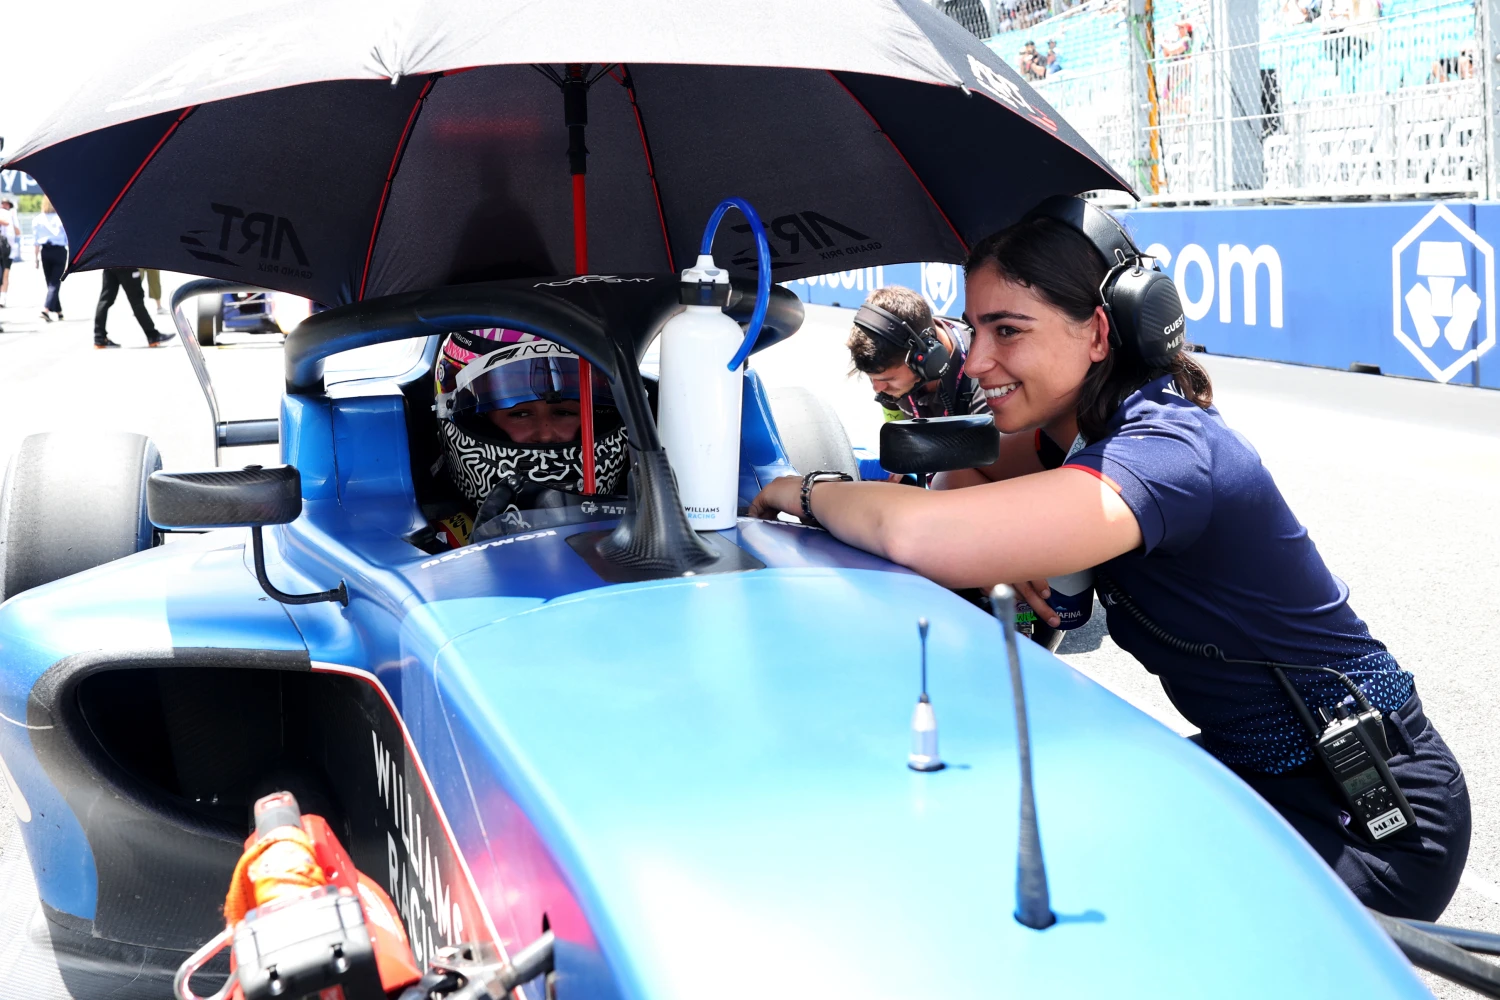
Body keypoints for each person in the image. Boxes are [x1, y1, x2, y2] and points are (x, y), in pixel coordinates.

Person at [750, 198, 1470, 920]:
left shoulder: (1166, 453)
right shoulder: (1078, 432)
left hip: (1371, 816)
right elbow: (956, 479)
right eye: (974, 331)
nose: (976, 360)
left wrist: (797, 489)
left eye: (1008, 331)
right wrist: (1013, 535)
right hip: (1253, 773)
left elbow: (921, 535)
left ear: (1098, 333)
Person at [427, 328, 629, 548]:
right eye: (520, 414)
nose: (545, 434)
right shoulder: (436, 545)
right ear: (478, 423)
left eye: (564, 412)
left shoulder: (650, 526)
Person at [847, 284, 986, 422]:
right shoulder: (884, 369)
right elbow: (896, 434)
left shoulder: (984, 377)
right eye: (871, 378)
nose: (877, 388)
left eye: (888, 379)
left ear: (926, 359)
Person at [94, 267, 175, 349]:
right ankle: (152, 335)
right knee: (137, 301)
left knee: (104, 301)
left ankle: (99, 338)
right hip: (127, 265)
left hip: (109, 265)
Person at [32, 197, 67, 322]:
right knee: (55, 283)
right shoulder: (61, 218)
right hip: (59, 251)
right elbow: (68, 238)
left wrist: (35, 258)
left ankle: (59, 311)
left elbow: (35, 241)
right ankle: (46, 309)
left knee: (51, 283)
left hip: (45, 251)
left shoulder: (38, 219)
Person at [0, 196, 19, 308]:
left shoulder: (12, 215)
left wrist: (12, 219)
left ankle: (3, 297)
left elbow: (17, 232)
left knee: (5, 274)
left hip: (8, 248)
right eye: (3, 204)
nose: (5, 206)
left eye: (7, 204)